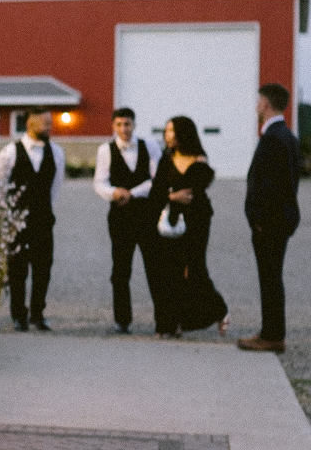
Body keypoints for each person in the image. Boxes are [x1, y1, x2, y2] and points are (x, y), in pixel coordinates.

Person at [147, 116, 230, 337]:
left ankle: (219, 310)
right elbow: (157, 192)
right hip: (169, 222)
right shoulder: (167, 159)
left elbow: (192, 193)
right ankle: (169, 325)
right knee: (169, 272)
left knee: (193, 271)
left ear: (184, 133)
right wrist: (172, 195)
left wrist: (172, 194)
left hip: (197, 222)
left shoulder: (199, 162)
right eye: (165, 131)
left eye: (171, 131)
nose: (167, 135)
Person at [240, 83, 302, 352]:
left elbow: (271, 186)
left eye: (258, 102)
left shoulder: (274, 139)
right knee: (271, 277)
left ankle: (273, 336)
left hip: (271, 222)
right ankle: (270, 331)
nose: (256, 107)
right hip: (280, 219)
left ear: (266, 104)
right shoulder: (287, 136)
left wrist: (259, 219)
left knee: (270, 278)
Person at [0, 108, 66, 332]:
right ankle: (18, 315)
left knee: (43, 268)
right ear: (30, 124)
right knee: (17, 270)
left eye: (50, 123)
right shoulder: (9, 153)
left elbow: (55, 186)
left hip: (44, 219)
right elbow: (0, 186)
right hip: (16, 221)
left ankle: (38, 313)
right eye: (44, 123)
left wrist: (44, 209)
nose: (48, 127)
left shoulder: (57, 152)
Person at [93, 106, 156, 334]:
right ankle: (123, 319)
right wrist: (113, 193)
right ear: (113, 126)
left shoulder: (149, 146)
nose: (123, 129)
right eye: (119, 125)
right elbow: (99, 182)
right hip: (119, 217)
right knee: (120, 268)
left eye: (127, 124)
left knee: (154, 266)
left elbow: (156, 179)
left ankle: (164, 318)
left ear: (134, 124)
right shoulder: (105, 150)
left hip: (147, 215)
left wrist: (133, 192)